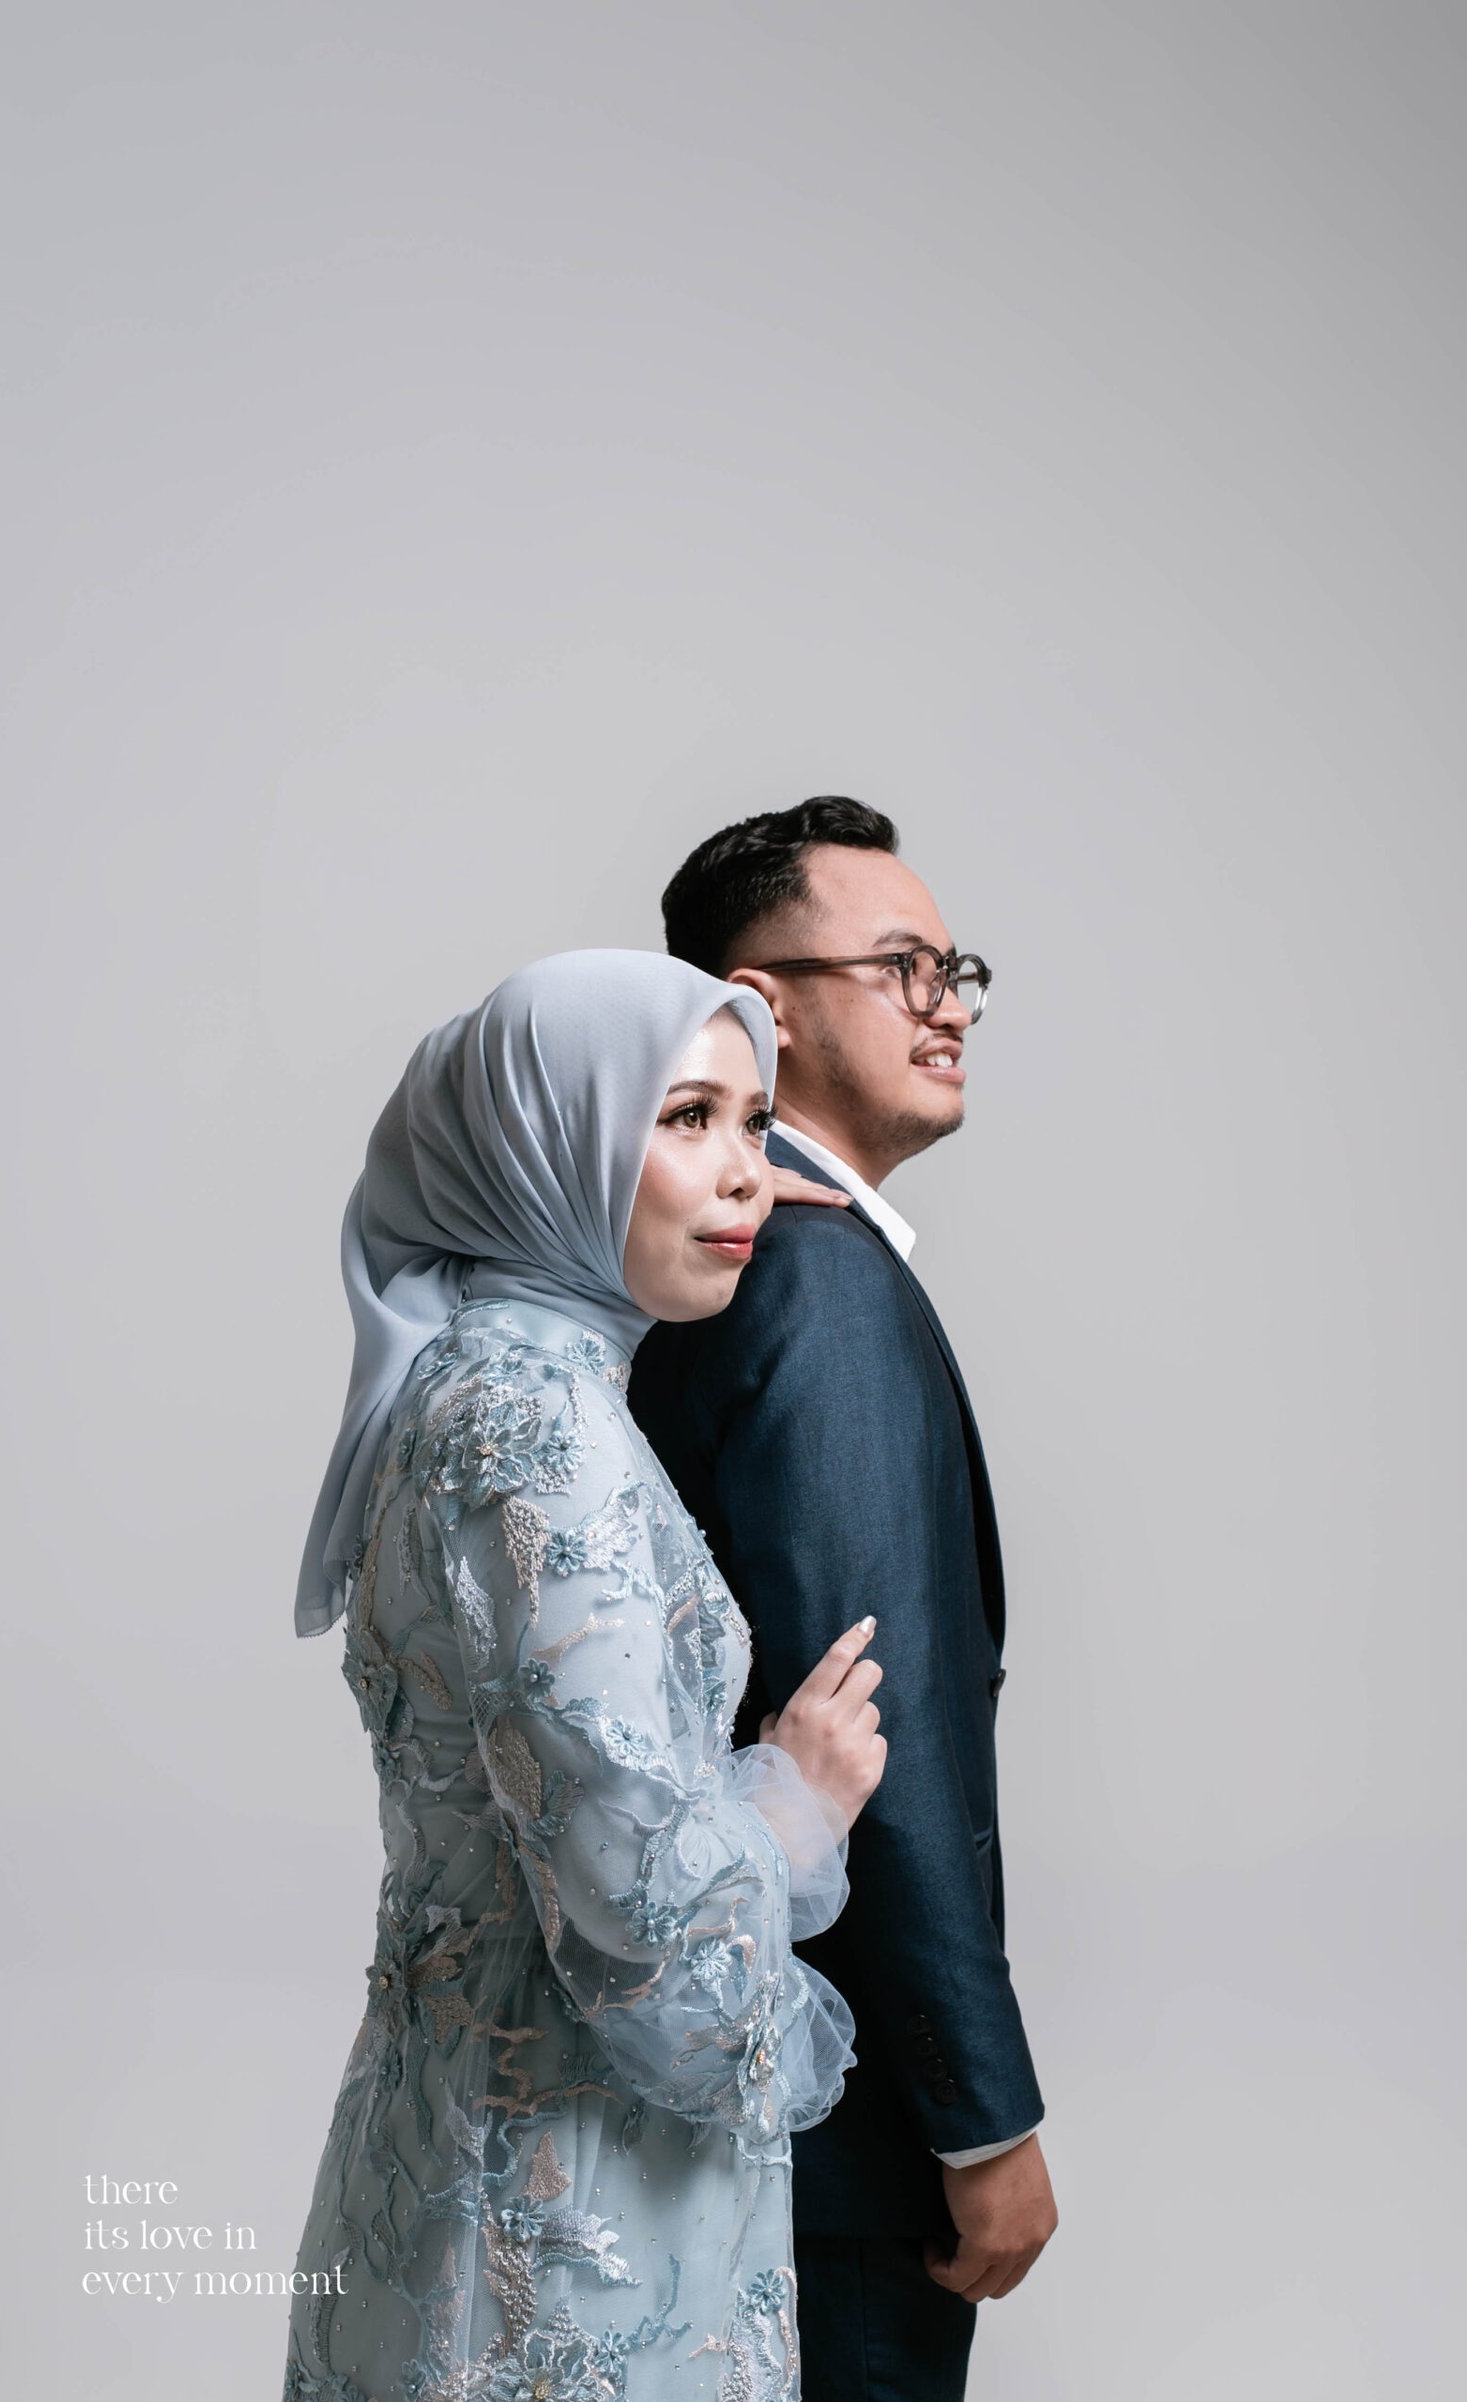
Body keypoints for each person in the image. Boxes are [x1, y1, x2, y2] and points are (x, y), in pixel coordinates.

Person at [283, 948, 886, 2402]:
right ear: (546, 1147)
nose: (745, 1174)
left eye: (757, 1122)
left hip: (453, 2155)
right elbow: (651, 1949)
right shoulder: (543, 1431)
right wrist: (796, 1803)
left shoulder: (468, 1382)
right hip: (571, 2225)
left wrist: (699, 1175)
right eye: (684, 1117)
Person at [628, 799, 1058, 2402]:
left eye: (957, 969)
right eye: (902, 966)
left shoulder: (723, 1267)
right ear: (766, 1006)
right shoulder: (819, 1283)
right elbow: (881, 1725)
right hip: (846, 2137)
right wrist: (981, 2113)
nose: (951, 1004)